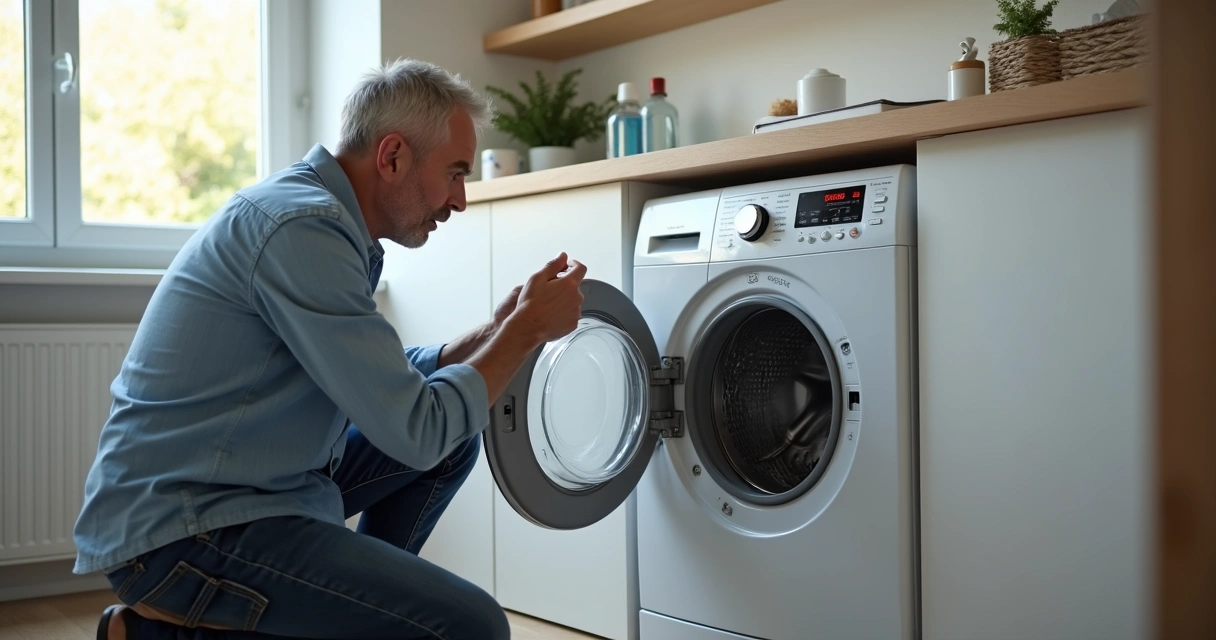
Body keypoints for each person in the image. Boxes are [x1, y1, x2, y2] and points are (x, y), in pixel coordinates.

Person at [73, 58, 586, 640]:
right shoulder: (302, 229)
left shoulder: (325, 219)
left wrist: (494, 331)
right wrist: (524, 335)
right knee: (472, 628)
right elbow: (416, 426)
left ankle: (354, 615)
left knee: (452, 444)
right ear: (392, 157)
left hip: (257, 484)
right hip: (183, 529)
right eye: (455, 173)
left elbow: (381, 381)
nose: (460, 200)